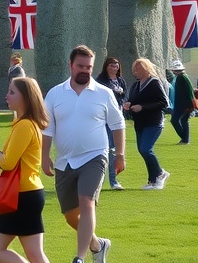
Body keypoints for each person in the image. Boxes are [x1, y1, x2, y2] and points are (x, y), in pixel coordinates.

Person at [41, 45, 122, 263]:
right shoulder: (55, 93)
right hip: (64, 161)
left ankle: (79, 257)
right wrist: (44, 155)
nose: (85, 70)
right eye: (80, 66)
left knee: (86, 202)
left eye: (89, 66)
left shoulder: (104, 93)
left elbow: (117, 123)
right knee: (70, 216)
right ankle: (98, 245)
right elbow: (47, 128)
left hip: (95, 156)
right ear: (70, 65)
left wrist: (120, 154)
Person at [0, 76, 52, 263]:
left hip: (22, 196)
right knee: (35, 254)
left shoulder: (24, 125)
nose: (7, 96)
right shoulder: (27, 123)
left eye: (12, 92)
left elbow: (7, 163)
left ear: (26, 97)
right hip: (27, 194)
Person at [123, 58, 170, 190]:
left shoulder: (154, 83)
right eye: (134, 68)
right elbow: (131, 100)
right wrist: (128, 104)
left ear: (146, 68)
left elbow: (164, 103)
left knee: (145, 149)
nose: (135, 71)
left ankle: (160, 173)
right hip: (140, 123)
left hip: (153, 122)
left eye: (138, 68)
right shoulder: (135, 85)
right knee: (142, 151)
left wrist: (143, 107)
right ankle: (152, 180)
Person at [94, 57, 126, 191]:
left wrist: (124, 101)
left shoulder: (121, 81)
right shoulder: (101, 81)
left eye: (116, 65)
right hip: (104, 119)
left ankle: (113, 180)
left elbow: (125, 95)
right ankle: (97, 179)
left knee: (114, 149)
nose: (114, 67)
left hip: (117, 118)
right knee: (104, 148)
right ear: (106, 66)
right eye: (112, 65)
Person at [168, 60, 195, 144]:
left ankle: (185, 139)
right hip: (183, 104)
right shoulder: (182, 77)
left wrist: (190, 105)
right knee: (183, 121)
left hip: (183, 104)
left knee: (175, 120)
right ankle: (185, 139)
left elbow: (188, 92)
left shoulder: (181, 78)